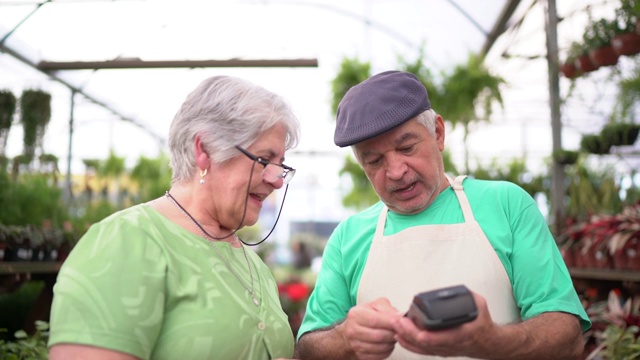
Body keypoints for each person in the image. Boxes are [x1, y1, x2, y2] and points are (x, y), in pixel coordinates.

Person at [294, 70, 591, 360]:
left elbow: (567, 336)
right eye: (375, 160)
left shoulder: (506, 205)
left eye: (407, 147)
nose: (396, 171)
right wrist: (344, 339)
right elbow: (307, 348)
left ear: (437, 133)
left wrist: (492, 342)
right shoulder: (349, 236)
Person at [48, 75, 301, 360]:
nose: (277, 180)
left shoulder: (253, 265)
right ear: (204, 150)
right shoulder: (127, 242)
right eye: (265, 160)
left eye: (282, 165)